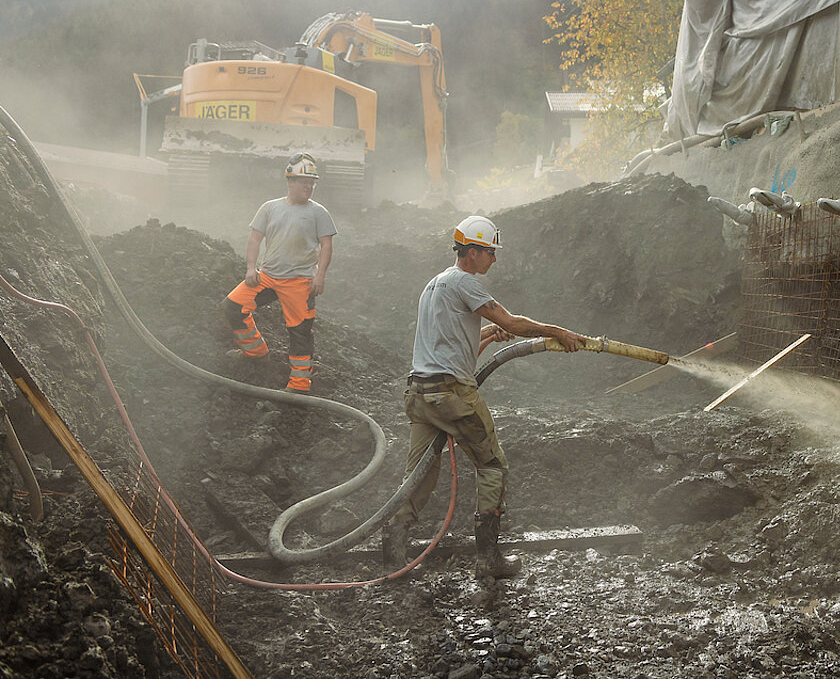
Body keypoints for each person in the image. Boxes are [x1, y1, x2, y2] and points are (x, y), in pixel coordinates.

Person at [382, 215, 587, 578]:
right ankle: (488, 560)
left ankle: (393, 550)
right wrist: (557, 331)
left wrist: (488, 336)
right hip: (452, 395)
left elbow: (449, 352)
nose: (494, 260)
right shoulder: (464, 282)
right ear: (472, 252)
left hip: (419, 394)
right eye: (490, 252)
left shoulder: (435, 285)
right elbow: (512, 322)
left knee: (419, 473)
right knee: (492, 466)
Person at [223, 153, 337, 393]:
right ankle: (256, 353)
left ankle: (299, 384)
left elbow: (326, 245)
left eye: (312, 182)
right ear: (290, 181)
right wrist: (251, 268)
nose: (309, 186)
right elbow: (255, 238)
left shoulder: (319, 213)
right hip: (268, 277)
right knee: (233, 306)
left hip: (300, 282)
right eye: (303, 181)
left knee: (300, 332)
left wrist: (320, 277)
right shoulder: (270, 208)